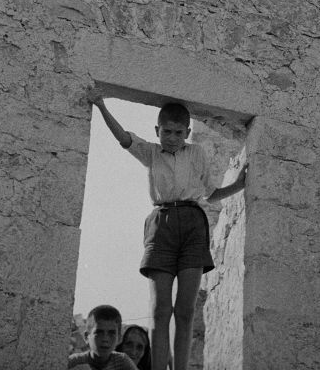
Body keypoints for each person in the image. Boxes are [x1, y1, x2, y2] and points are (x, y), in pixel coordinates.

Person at [87, 94, 248, 370]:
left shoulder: (196, 153)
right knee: (160, 310)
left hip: (193, 223)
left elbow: (210, 193)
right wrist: (101, 105)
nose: (172, 138)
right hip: (161, 224)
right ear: (157, 131)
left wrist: (240, 184)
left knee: (184, 310)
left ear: (187, 133)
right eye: (166, 132)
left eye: (177, 133)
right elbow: (123, 137)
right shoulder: (150, 152)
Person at [69, 305, 138, 370]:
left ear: (119, 338)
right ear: (87, 336)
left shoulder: (122, 361)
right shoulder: (75, 362)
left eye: (111, 333)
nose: (105, 339)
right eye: (99, 333)